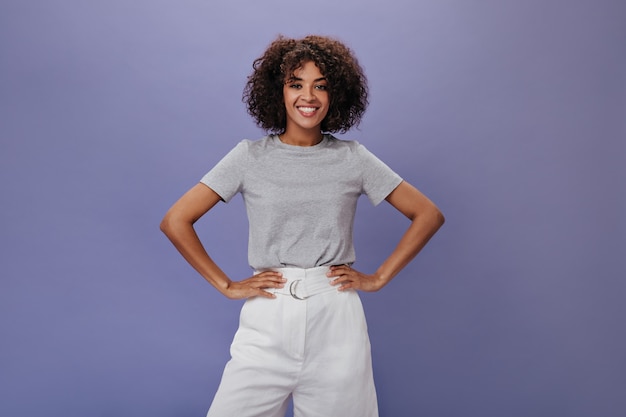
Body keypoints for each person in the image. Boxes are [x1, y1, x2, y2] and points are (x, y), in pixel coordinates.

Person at [160, 35, 445, 417]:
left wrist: (378, 278)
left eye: (320, 86)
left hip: (336, 319)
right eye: (296, 84)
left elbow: (428, 214)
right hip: (268, 313)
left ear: (336, 95)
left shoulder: (352, 158)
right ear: (277, 92)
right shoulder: (249, 157)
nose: (308, 96)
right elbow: (176, 220)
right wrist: (226, 285)